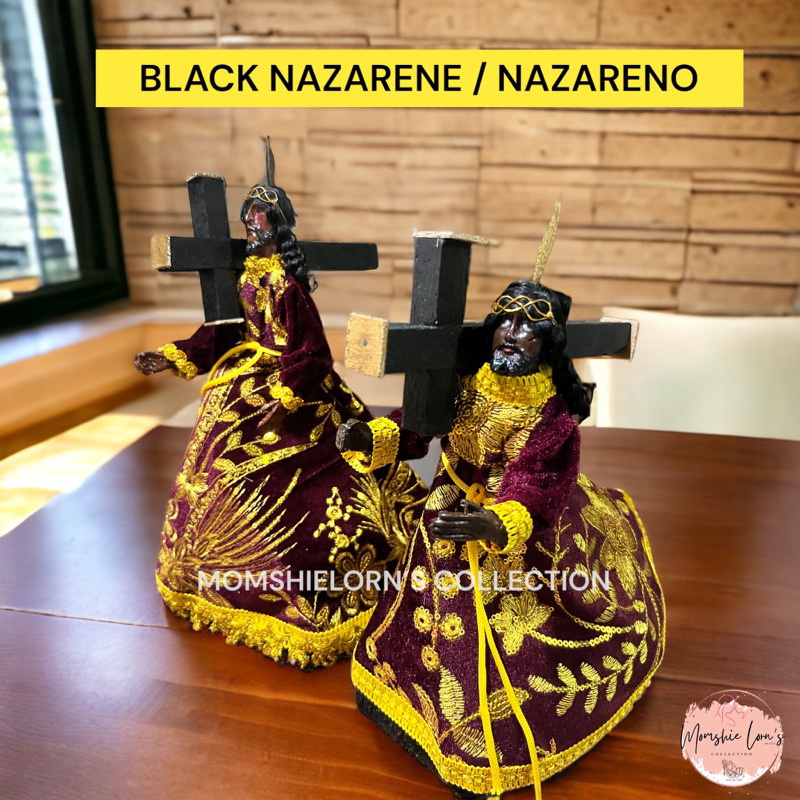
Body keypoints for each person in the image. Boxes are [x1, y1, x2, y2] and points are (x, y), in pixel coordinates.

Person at [336, 211, 665, 797]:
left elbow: (538, 478)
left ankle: (482, 729)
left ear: (549, 344)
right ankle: (406, 690)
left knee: (503, 620)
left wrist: (497, 522)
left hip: (513, 530)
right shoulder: (466, 383)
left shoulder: (551, 414)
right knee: (421, 604)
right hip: (449, 509)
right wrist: (373, 436)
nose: (512, 334)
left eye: (528, 327)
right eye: (505, 322)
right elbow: (419, 425)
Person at [134, 146, 426, 670]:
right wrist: (175, 354)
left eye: (261, 219)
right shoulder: (247, 277)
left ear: (279, 226)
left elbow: (313, 351)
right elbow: (227, 331)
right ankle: (213, 568)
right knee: (215, 471)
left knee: (302, 477)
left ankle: (299, 579)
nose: (252, 226)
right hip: (246, 383)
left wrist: (288, 394)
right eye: (248, 219)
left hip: (293, 387)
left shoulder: (289, 286)